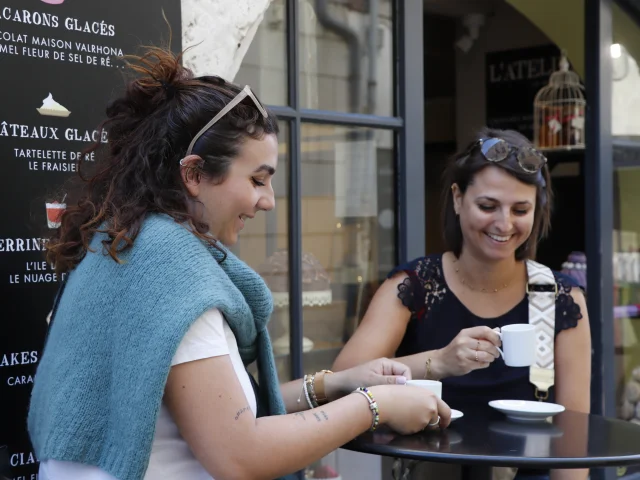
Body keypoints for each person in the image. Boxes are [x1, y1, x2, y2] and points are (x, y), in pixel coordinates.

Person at [27, 46, 452, 480]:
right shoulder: (172, 271)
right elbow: (239, 454)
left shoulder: (123, 244)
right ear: (193, 175)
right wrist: (374, 407)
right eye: (257, 179)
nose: (267, 201)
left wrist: (333, 384)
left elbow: (215, 414)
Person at [333, 128, 591, 480]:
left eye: (520, 209)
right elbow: (341, 381)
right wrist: (439, 362)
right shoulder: (415, 286)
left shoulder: (559, 298)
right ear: (458, 198)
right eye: (488, 206)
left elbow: (572, 445)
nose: (504, 223)